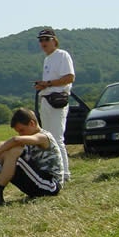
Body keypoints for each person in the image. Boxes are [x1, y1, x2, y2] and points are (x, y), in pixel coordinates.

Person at [0, 108, 63, 209]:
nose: (21, 134)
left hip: (50, 185)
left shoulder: (44, 137)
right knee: (5, 149)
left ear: (32, 123)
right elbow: (2, 144)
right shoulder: (30, 137)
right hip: (38, 181)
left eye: (22, 130)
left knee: (13, 152)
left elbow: (16, 140)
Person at [34, 28, 75, 182]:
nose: (43, 42)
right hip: (46, 99)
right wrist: (43, 86)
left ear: (54, 40)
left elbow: (70, 77)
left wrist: (48, 84)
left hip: (57, 99)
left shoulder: (62, 55)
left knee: (57, 137)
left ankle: (64, 173)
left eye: (46, 39)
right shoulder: (47, 59)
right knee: (48, 137)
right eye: (41, 40)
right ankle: (54, 170)